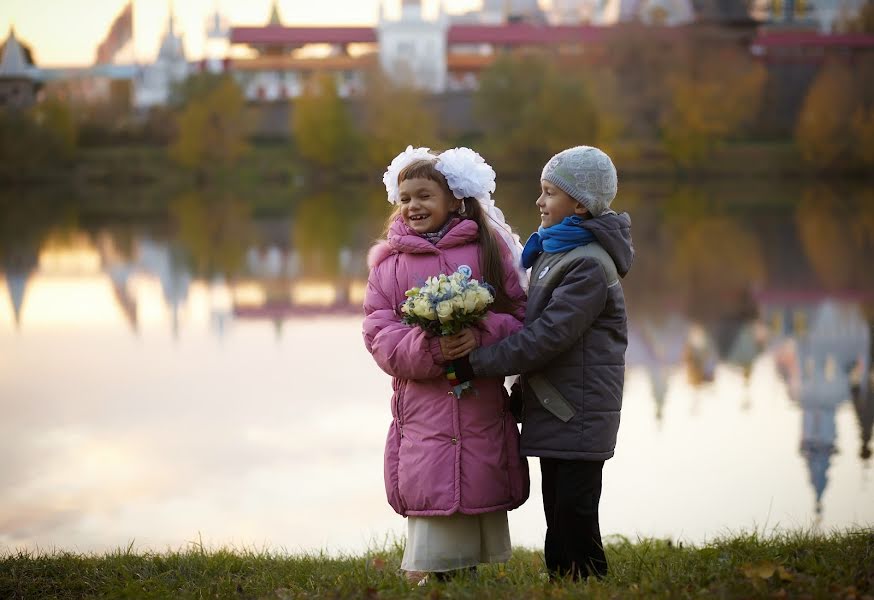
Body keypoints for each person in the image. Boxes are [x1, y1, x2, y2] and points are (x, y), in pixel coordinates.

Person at [446, 145, 634, 580]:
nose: (539, 201)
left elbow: (546, 338)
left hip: (579, 410)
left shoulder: (587, 264)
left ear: (581, 203)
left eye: (549, 192)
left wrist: (475, 362)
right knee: (560, 511)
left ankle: (585, 581)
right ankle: (566, 581)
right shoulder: (557, 251)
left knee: (574, 513)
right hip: (557, 406)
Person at [362, 146, 530, 585]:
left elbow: (521, 316)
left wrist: (479, 335)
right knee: (431, 480)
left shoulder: (489, 251)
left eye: (424, 196)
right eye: (405, 199)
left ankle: (469, 572)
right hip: (424, 403)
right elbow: (379, 334)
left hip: (479, 397)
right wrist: (433, 348)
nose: (413, 206)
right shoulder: (390, 265)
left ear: (454, 199)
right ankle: (430, 574)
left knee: (476, 475)